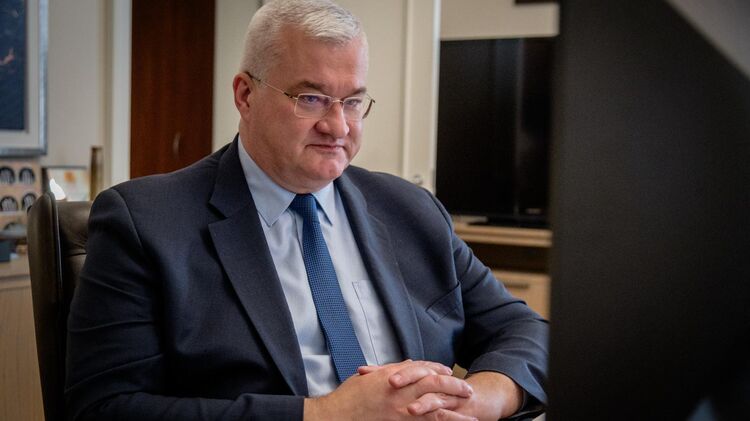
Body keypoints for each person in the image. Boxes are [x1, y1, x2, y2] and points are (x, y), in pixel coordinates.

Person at [66, 1, 548, 419]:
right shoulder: (145, 221)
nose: (337, 126)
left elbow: (528, 332)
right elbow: (104, 407)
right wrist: (325, 414)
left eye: (353, 101)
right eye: (311, 98)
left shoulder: (410, 209)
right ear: (245, 95)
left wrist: (476, 401)